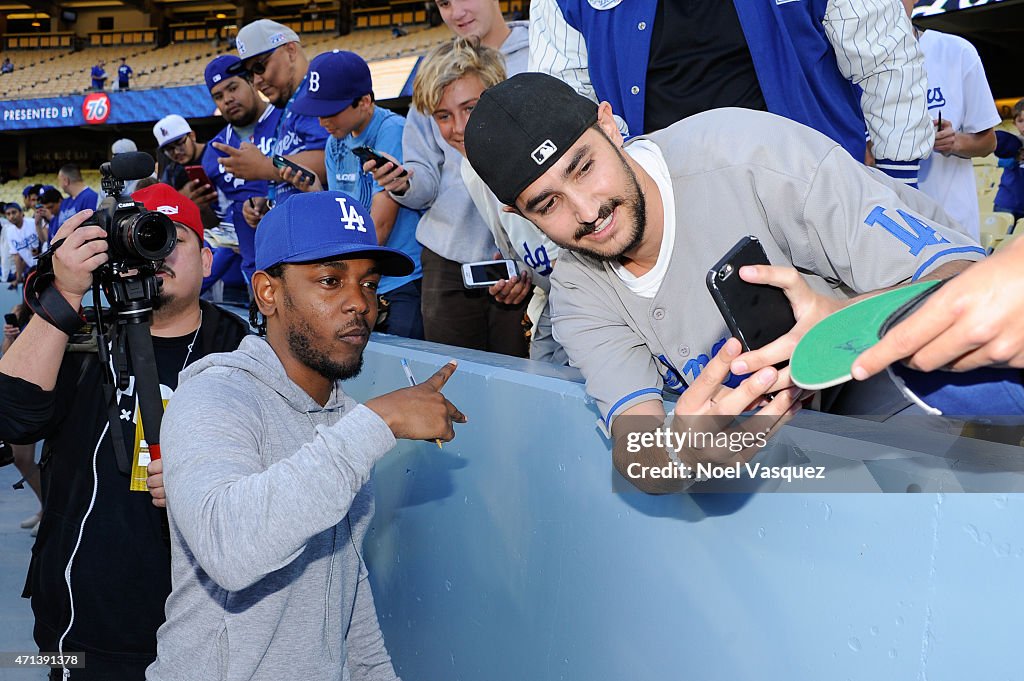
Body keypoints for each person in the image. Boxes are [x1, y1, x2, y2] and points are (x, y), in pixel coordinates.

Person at [464, 73, 985, 491]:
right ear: (518, 214)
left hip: (912, 379)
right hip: (789, 447)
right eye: (547, 203)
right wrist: (683, 458)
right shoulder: (579, 289)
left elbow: (966, 281)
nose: (587, 211)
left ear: (610, 125)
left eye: (582, 168)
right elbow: (639, 453)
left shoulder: (750, 155)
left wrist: (846, 327)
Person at [148, 190, 466, 680]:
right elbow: (231, 549)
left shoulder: (344, 420)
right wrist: (378, 423)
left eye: (369, 284)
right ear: (268, 292)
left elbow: (344, 595)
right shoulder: (214, 397)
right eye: (329, 281)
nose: (358, 304)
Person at [0, 184, 249, 679]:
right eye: (133, 241)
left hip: (207, 629)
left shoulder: (240, 349)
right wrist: (65, 291)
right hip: (80, 632)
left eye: (167, 237)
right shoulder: (78, 333)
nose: (151, 251)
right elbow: (14, 420)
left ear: (205, 257)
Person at [530, 0, 934, 187]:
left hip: (813, 195)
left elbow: (886, 59)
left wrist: (897, 183)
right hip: (669, 215)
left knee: (833, 349)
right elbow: (561, 100)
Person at [382, 38, 564, 362]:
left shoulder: (542, 160)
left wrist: (530, 276)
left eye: (470, 107)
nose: (459, 128)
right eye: (442, 116)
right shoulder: (469, 169)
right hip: (457, 262)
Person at [286, 49, 425, 339]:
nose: (323, 120)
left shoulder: (392, 130)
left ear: (364, 102)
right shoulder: (334, 141)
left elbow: (381, 225)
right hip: (360, 279)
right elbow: (342, 211)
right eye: (318, 111)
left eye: (331, 111)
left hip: (398, 281)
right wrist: (313, 190)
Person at [905, 0, 999, 240]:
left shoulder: (956, 51)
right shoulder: (856, 63)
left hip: (953, 227)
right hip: (894, 227)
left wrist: (954, 142)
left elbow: (988, 142)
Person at [222, 19, 328, 214]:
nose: (256, 81)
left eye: (260, 67)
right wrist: (269, 197)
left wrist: (264, 167)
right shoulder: (289, 104)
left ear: (290, 51)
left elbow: (329, 159)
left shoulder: (316, 91)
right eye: (250, 74)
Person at [196, 54, 281, 287]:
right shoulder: (215, 151)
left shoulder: (286, 120)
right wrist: (200, 208)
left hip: (299, 255)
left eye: (233, 88)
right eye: (218, 96)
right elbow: (216, 222)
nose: (228, 100)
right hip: (255, 267)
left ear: (252, 82)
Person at [2, 304, 43, 534]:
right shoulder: (21, 311)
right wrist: (11, 338)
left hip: (55, 393)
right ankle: (45, 506)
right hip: (25, 395)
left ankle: (50, 511)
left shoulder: (61, 307)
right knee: (20, 458)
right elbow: (7, 357)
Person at [153, 114, 206, 190]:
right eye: (169, 149)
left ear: (192, 136)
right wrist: (181, 198)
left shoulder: (216, 153)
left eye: (179, 143)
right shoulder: (171, 172)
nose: (176, 152)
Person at [993, 99, 1024, 222]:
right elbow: (1002, 161)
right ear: (1014, 123)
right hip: (1007, 202)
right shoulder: (1011, 142)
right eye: (1021, 121)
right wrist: (1016, 156)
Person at [54, 164, 100, 241]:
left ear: (66, 180)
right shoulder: (65, 202)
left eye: (59, 180)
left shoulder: (90, 198)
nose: (59, 185)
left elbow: (90, 230)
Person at [5, 203, 41, 289]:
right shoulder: (9, 232)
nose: (11, 216)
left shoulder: (32, 223)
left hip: (46, 264)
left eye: (14, 212)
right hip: (32, 268)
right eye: (8, 214)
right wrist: (18, 278)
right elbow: (16, 256)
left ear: (21, 213)